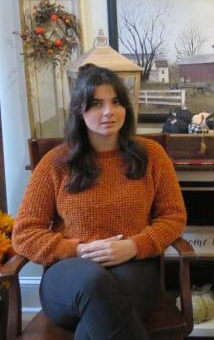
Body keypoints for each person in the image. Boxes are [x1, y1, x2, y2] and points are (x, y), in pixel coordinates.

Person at [12, 64, 187, 340]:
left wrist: (133, 246)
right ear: (80, 111)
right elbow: (24, 234)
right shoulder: (55, 163)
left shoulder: (151, 155)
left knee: (98, 317)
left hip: (134, 266)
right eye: (96, 104)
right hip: (69, 276)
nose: (109, 111)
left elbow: (174, 217)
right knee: (94, 283)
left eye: (116, 102)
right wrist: (79, 250)